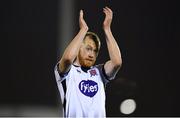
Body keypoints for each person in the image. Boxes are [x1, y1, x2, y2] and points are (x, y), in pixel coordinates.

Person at [54, 6, 122, 117]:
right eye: (88, 49)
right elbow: (67, 58)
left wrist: (107, 29)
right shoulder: (68, 73)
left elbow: (117, 62)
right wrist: (83, 30)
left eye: (95, 51)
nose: (92, 54)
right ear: (78, 48)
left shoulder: (99, 72)